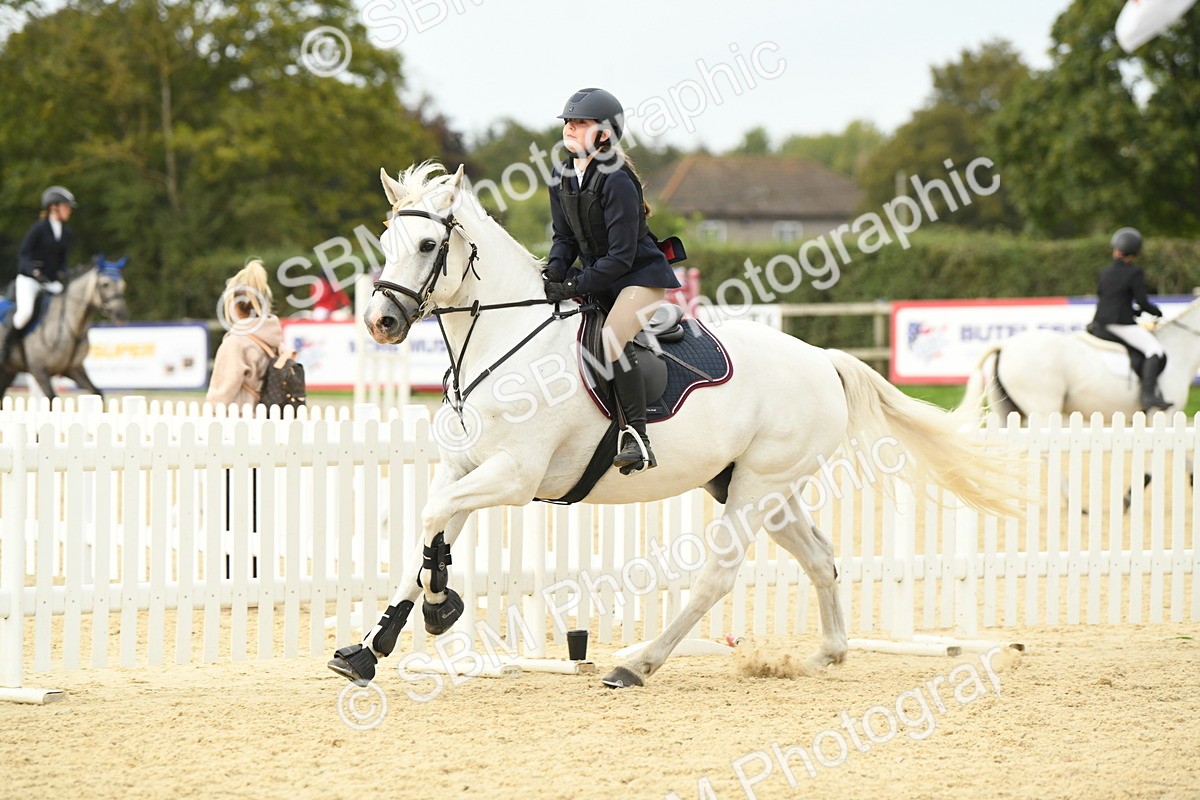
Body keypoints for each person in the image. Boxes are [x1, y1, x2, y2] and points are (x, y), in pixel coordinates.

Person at [542, 87, 681, 474]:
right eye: (568, 122)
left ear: (604, 133)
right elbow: (564, 238)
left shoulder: (617, 180)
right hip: (598, 278)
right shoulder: (562, 174)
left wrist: (573, 286)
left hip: (639, 278)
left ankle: (637, 436)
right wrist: (554, 271)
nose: (570, 128)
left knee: (610, 339)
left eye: (580, 122)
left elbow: (620, 257)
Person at [1090, 227, 1170, 411]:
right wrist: (1155, 311)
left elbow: (1109, 299)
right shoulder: (1134, 273)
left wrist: (1132, 313)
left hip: (1100, 322)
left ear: (1115, 249)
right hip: (1119, 325)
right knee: (1154, 350)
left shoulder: (1104, 272)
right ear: (1134, 253)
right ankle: (1149, 396)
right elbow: (1142, 301)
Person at [1, 186, 77, 366]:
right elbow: (24, 254)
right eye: (66, 206)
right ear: (54, 207)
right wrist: (35, 273)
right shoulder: (39, 228)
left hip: (50, 283)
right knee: (25, 313)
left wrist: (65, 275)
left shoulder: (66, 233)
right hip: (29, 280)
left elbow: (62, 261)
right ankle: (5, 348)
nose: (69, 210)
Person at [207, 258, 284, 409]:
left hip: (240, 422)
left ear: (234, 304)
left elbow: (222, 393)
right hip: (269, 421)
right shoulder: (275, 340)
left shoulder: (235, 343)